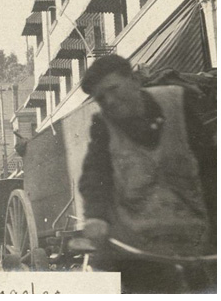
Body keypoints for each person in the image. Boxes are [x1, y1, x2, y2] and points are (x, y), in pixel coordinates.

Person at [78, 55, 215, 293]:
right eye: (101, 98)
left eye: (113, 89)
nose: (109, 101)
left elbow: (210, 166)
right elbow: (94, 174)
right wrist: (95, 216)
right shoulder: (103, 126)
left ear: (134, 80)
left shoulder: (178, 103)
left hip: (194, 240)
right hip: (139, 248)